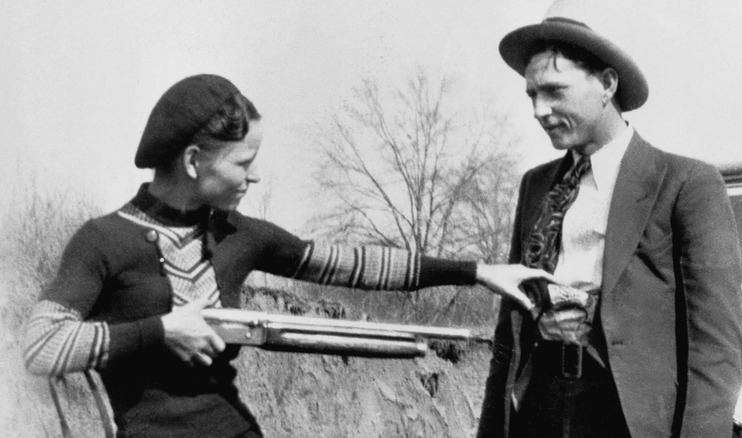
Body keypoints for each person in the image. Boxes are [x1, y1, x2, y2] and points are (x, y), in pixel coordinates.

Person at [21, 74, 554, 438]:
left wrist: (478, 271)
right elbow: (41, 347)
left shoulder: (240, 234)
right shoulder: (103, 240)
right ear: (191, 160)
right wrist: (161, 330)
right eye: (243, 162)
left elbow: (354, 264)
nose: (255, 176)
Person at [477, 7, 742, 438]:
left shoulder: (684, 184)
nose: (539, 110)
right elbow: (508, 333)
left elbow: (716, 349)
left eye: (554, 91)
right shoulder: (536, 186)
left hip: (627, 420)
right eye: (531, 95)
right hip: (538, 411)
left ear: (606, 84)